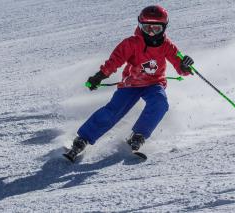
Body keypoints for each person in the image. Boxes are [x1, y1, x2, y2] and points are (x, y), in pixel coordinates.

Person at [64, 5, 194, 161]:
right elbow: (115, 61)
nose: (151, 33)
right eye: (147, 28)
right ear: (140, 26)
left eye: (156, 29)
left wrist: (185, 65)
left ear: (164, 28)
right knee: (113, 110)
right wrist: (100, 76)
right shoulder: (131, 43)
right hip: (131, 84)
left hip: (154, 84)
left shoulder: (167, 45)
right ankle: (83, 139)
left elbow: (181, 67)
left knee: (160, 103)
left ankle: (138, 136)